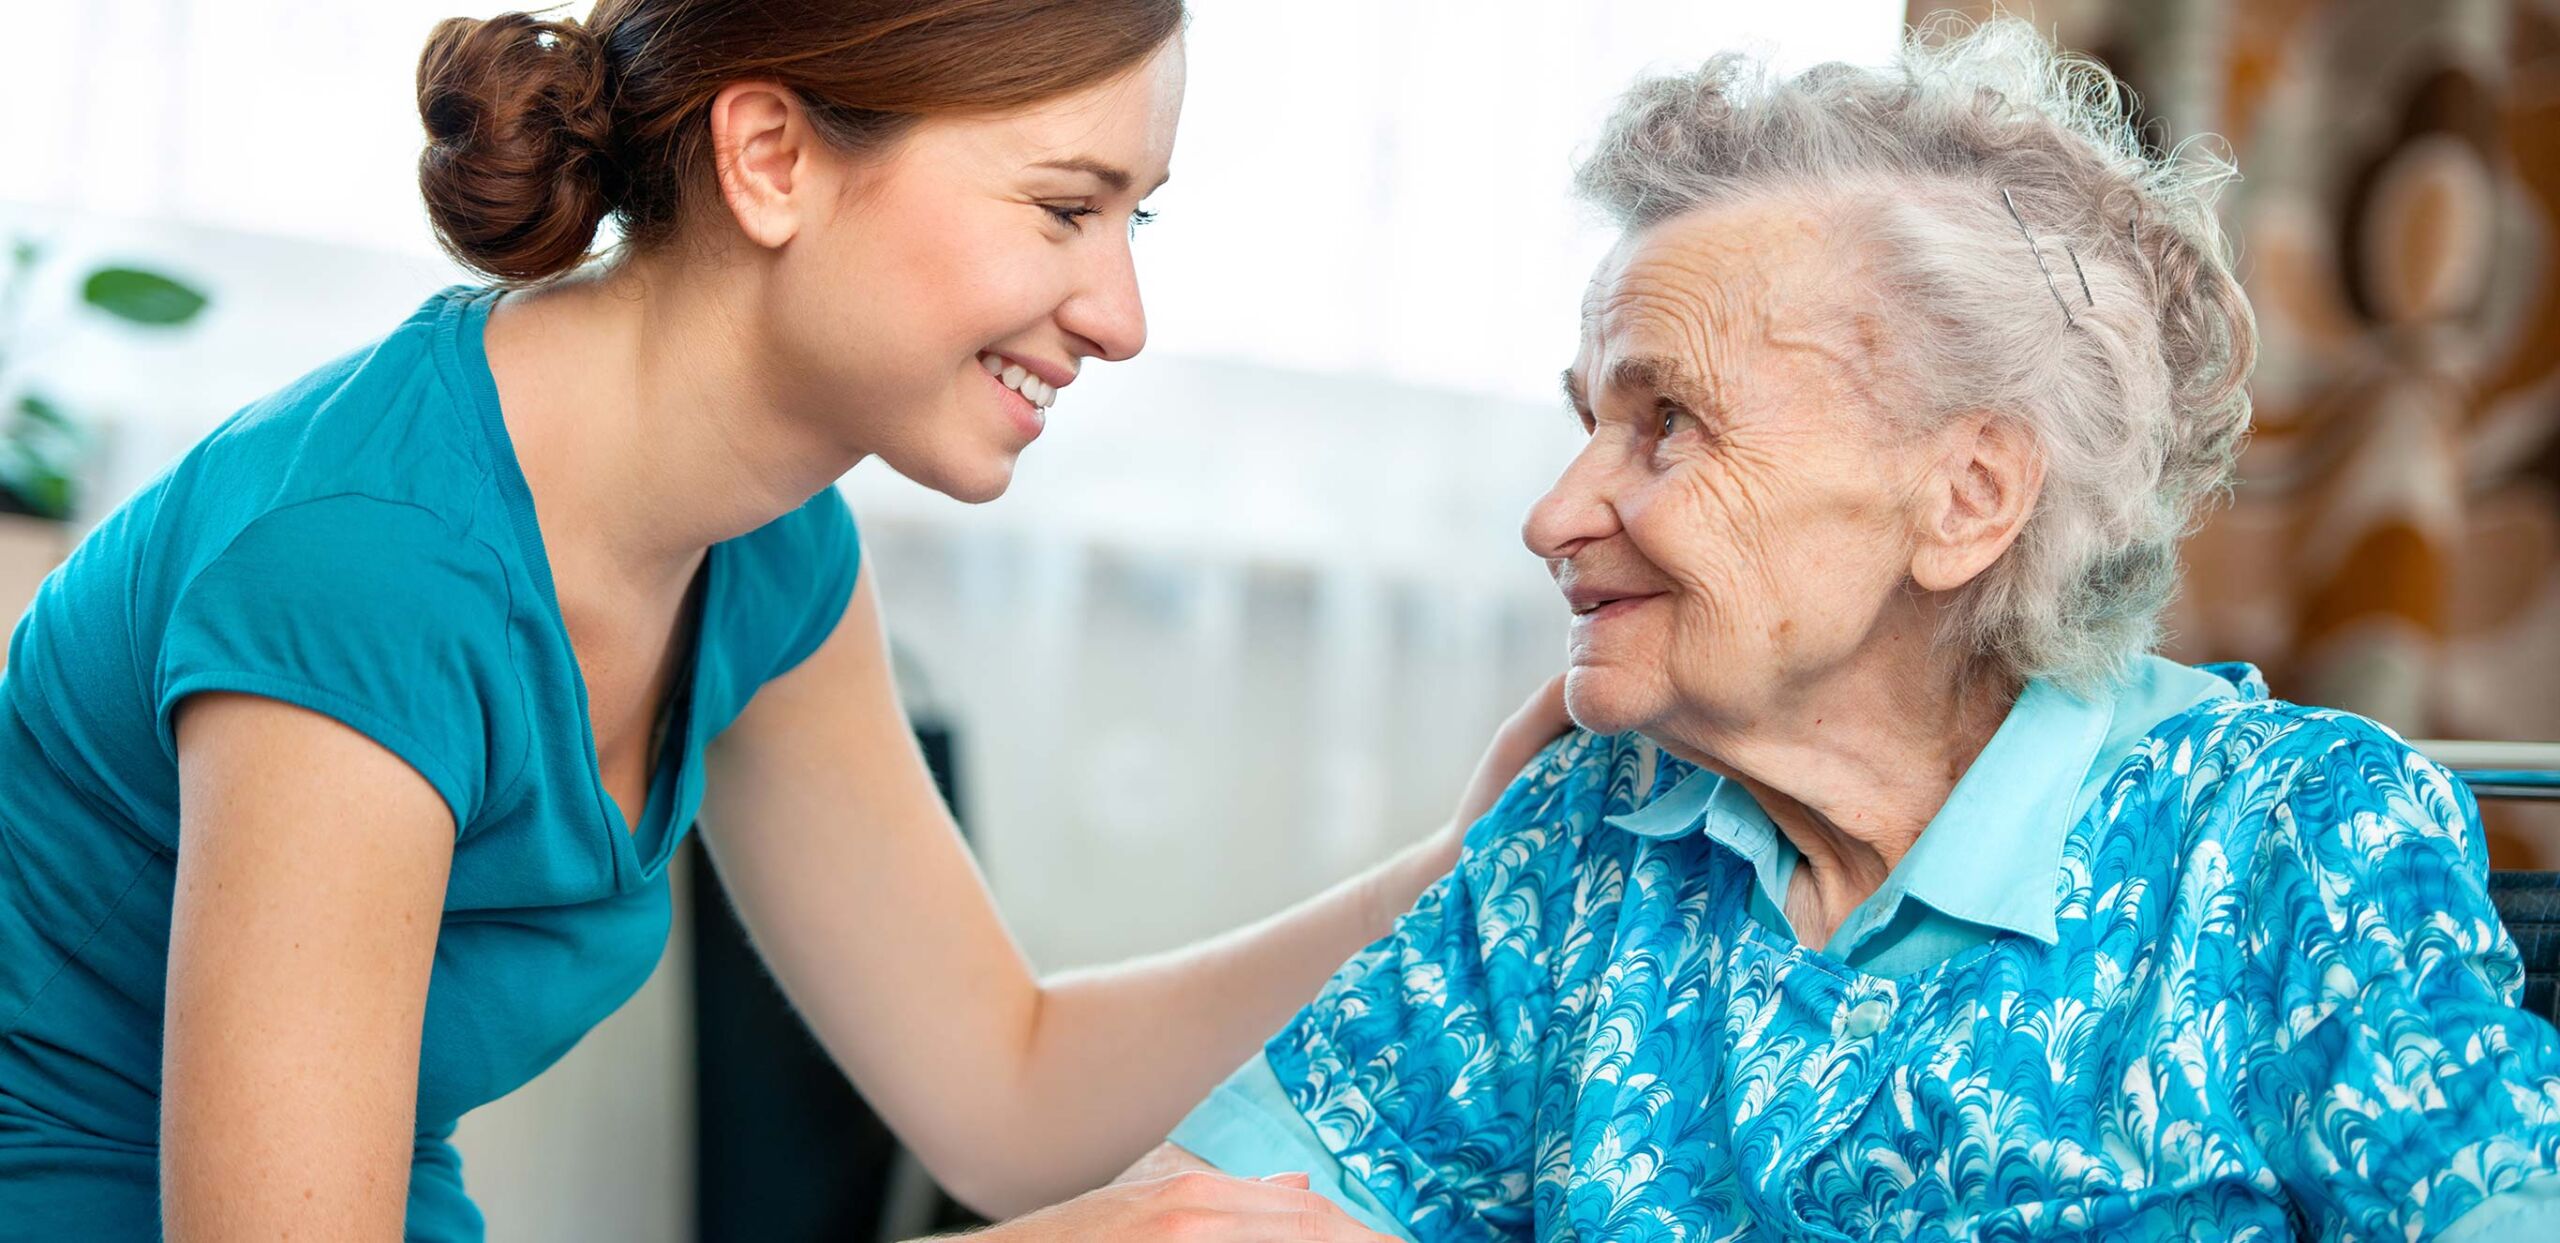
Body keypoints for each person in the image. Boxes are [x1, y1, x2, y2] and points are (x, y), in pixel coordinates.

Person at [0, 3, 1563, 1239]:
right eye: (1061, 207)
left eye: (1134, 223)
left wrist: (1456, 878)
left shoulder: (767, 551)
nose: (1121, 316)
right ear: (772, 159)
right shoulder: (367, 575)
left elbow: (1003, 1093)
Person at [1131, 18, 2560, 1241]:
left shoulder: (2289, 841)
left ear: (1966, 497)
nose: (1555, 515)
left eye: (1666, 422)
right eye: (1589, 425)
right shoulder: (1589, 837)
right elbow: (1208, 1214)